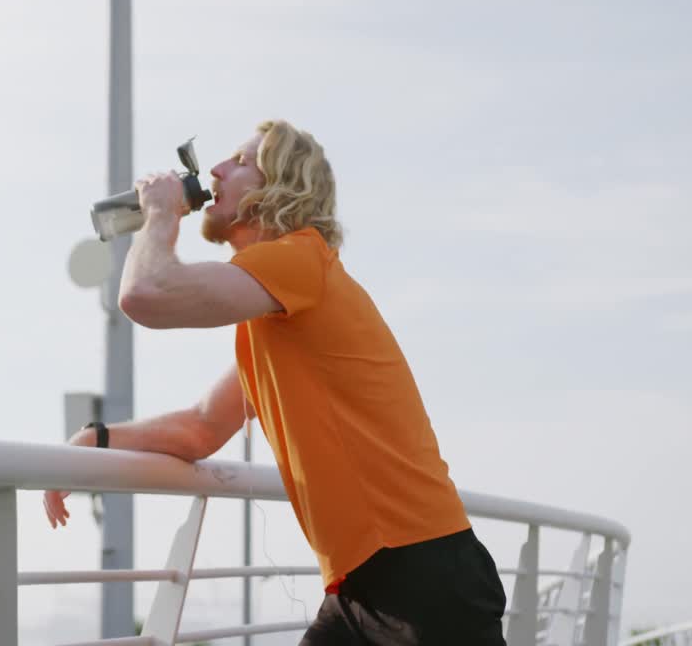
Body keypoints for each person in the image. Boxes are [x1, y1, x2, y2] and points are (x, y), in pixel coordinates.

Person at [43, 119, 507, 645]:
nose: (215, 169)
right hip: (363, 586)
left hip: (424, 578)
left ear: (279, 187)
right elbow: (199, 429)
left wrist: (159, 213)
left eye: (241, 161)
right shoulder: (279, 316)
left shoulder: (302, 261)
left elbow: (145, 293)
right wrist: (97, 439)